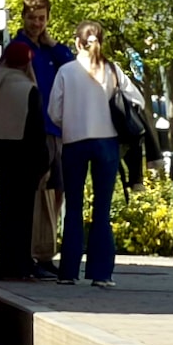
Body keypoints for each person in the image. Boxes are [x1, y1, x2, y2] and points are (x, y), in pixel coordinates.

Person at [48, 19, 141, 288]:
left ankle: (68, 272)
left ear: (77, 42)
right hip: (107, 142)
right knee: (102, 210)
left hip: (74, 142)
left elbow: (54, 111)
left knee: (73, 208)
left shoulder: (66, 71)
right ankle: (101, 274)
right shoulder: (112, 70)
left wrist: (70, 123)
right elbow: (137, 101)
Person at [15, 0, 73, 279]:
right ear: (23, 17)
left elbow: (72, 66)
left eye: (41, 18)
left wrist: (53, 44)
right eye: (32, 18)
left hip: (56, 129)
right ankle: (34, 251)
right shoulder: (19, 47)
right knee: (37, 194)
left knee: (55, 193)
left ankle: (47, 251)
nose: (36, 23)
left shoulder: (51, 50)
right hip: (34, 132)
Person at [0, 40, 50, 281]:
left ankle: (3, 266)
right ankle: (20, 265)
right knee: (23, 215)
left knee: (4, 211)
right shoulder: (28, 88)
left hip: (1, 155)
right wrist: (44, 163)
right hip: (25, 157)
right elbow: (36, 130)